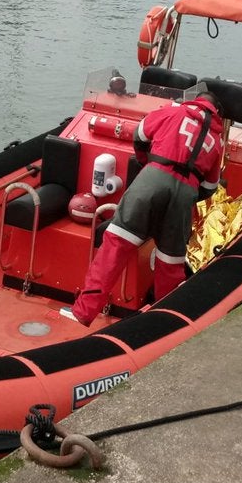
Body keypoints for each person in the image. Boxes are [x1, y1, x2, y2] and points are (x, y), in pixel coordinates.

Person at [63, 91, 225, 326]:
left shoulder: (173, 112)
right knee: (170, 264)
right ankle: (164, 323)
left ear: (194, 100)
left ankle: (83, 312)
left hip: (152, 179)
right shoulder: (217, 141)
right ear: (216, 112)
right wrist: (184, 194)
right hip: (184, 195)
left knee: (115, 246)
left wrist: (145, 163)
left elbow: (140, 134)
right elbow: (210, 187)